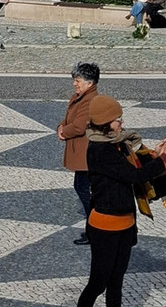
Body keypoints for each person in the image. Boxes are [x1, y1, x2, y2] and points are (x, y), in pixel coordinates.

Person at [77, 95, 166, 307]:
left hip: (125, 223)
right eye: (117, 119)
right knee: (98, 282)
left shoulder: (118, 143)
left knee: (116, 281)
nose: (121, 122)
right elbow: (133, 176)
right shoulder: (100, 149)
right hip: (105, 226)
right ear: (104, 123)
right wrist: (164, 159)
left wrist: (155, 155)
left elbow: (136, 168)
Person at [58, 62, 100, 245]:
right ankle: (94, 227)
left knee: (84, 189)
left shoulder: (89, 100)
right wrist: (60, 126)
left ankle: (95, 229)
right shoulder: (79, 97)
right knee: (81, 187)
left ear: (89, 83)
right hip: (80, 152)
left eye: (78, 80)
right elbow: (68, 119)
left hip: (85, 154)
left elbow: (79, 126)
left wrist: (63, 132)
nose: (75, 84)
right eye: (74, 80)